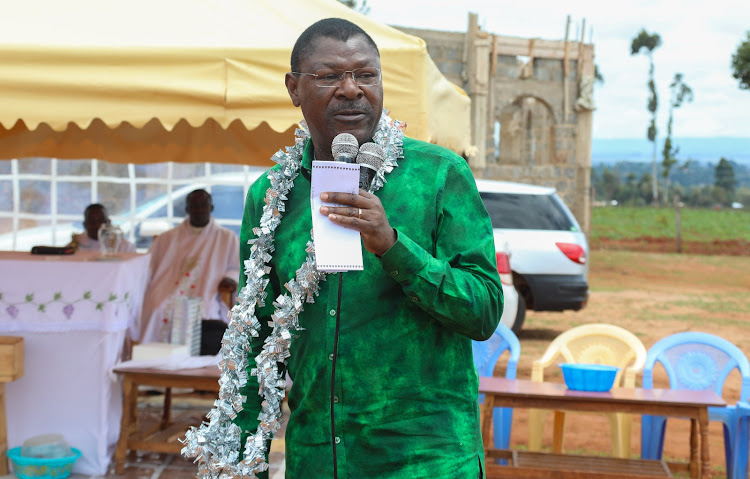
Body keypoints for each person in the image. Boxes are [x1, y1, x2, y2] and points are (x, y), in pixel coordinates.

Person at [186, 18, 503, 478]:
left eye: (366, 75)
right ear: (294, 88)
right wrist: (240, 465)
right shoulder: (272, 195)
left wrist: (393, 246)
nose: (351, 89)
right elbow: (255, 341)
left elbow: (485, 310)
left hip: (425, 457)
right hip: (320, 458)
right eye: (330, 76)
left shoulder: (437, 175)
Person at [138, 189, 240, 343]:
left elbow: (237, 267)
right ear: (187, 209)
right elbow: (147, 268)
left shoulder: (226, 238)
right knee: (156, 309)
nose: (199, 210)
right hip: (168, 290)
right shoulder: (167, 238)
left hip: (205, 290)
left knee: (204, 312)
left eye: (203, 205)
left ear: (211, 208)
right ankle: (155, 358)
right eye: (194, 206)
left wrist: (230, 278)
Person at [71, 203, 136, 253]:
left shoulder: (126, 247)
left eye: (101, 221)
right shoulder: (73, 248)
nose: (97, 225)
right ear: (85, 225)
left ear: (109, 222)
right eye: (92, 222)